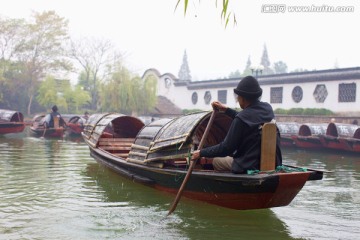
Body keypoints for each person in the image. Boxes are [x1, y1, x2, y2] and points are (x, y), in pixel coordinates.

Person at [191, 76, 282, 173]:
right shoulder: (267, 109)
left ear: (242, 98)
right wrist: (226, 110)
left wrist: (201, 153)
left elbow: (226, 148)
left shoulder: (241, 118)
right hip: (273, 164)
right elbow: (248, 117)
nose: (237, 100)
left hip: (248, 166)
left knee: (216, 161)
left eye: (238, 97)